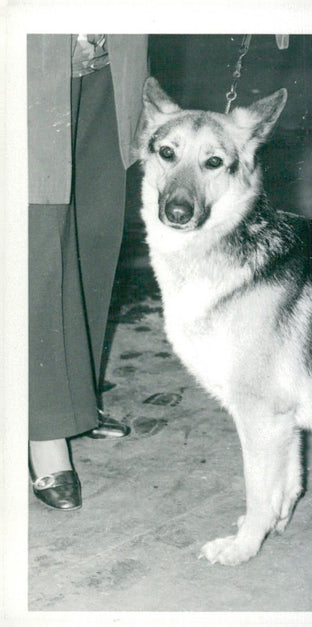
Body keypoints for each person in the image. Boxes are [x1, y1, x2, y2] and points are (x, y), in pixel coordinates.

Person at [28, 34, 149, 510]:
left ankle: (73, 394)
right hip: (28, 52)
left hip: (109, 50)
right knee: (39, 230)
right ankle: (45, 426)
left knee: (94, 227)